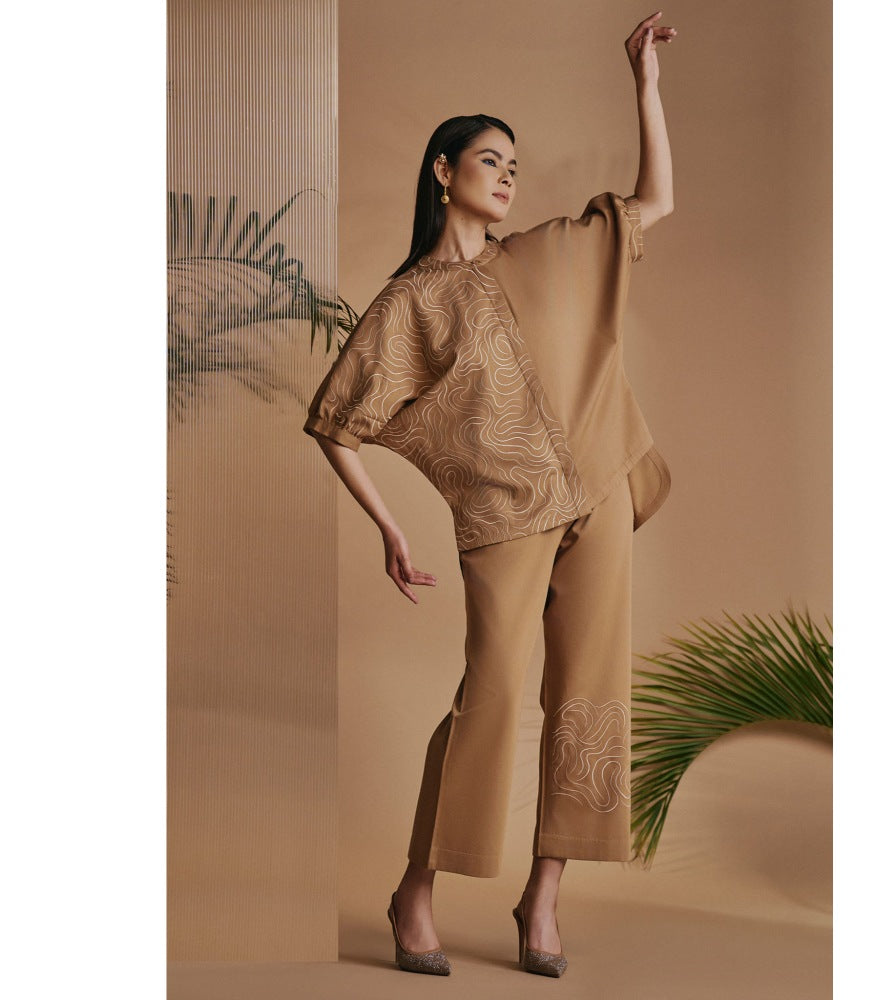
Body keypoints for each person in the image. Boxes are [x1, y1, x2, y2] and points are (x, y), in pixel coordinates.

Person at [303, 10, 677, 979]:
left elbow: (655, 200)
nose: (507, 175)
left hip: (597, 493)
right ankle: (414, 890)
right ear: (443, 171)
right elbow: (336, 421)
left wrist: (643, 84)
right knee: (493, 692)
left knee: (589, 694)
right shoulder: (410, 302)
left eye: (514, 163)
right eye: (488, 159)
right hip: (505, 517)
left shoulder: (547, 249)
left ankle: (542, 896)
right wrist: (390, 528)